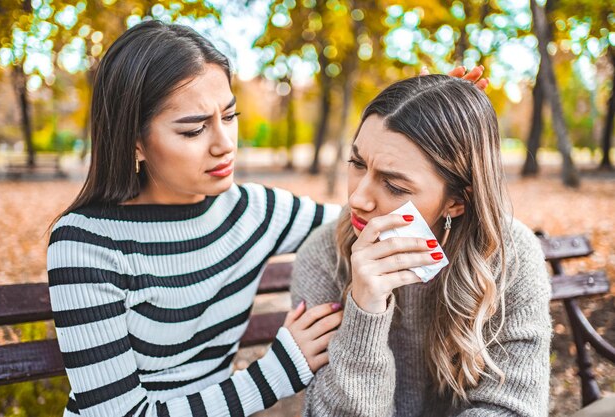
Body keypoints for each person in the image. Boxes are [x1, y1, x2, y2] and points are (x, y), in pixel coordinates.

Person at [46, 20, 345, 416]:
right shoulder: (87, 243)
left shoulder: (252, 211)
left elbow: (362, 222)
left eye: (230, 116)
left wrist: (441, 119)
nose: (225, 144)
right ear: (134, 142)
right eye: (193, 130)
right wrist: (278, 373)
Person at [290, 75, 552, 416]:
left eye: (394, 185)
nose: (357, 199)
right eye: (357, 164)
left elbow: (512, 408)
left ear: (457, 201)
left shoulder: (510, 255)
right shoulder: (324, 256)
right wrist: (365, 309)